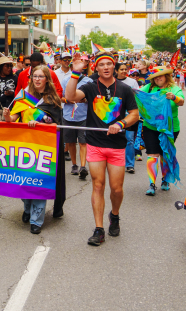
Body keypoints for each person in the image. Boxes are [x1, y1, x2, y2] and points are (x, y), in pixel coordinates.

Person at [65, 51, 140, 246]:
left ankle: (114, 215)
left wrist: (121, 124)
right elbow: (70, 96)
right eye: (102, 65)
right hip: (95, 143)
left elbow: (134, 114)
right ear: (96, 68)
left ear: (114, 67)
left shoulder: (124, 89)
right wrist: (75, 73)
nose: (106, 67)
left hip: (117, 146)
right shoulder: (90, 87)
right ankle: (98, 229)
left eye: (109, 64)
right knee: (98, 185)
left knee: (116, 188)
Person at [4, 64, 65, 233]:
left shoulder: (53, 100)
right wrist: (7, 116)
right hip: (24, 146)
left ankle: (36, 220)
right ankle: (27, 208)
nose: (37, 79)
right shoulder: (22, 96)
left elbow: (58, 126)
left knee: (39, 182)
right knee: (23, 181)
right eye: (34, 76)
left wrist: (40, 125)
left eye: (40, 76)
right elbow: (12, 119)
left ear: (47, 79)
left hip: (44, 147)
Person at [138, 66, 184, 195]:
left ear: (166, 77)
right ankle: (151, 184)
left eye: (160, 76)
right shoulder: (149, 88)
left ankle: (165, 180)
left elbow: (181, 102)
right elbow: (138, 95)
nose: (158, 78)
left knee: (164, 154)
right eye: (155, 77)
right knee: (152, 154)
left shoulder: (174, 89)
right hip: (150, 126)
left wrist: (174, 97)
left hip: (170, 128)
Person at [58, 55, 90, 180]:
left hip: (83, 116)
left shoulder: (88, 81)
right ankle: (74, 165)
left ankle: (83, 166)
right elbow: (59, 96)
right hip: (68, 116)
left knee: (83, 142)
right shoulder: (66, 80)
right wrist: (68, 100)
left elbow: (93, 98)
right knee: (70, 142)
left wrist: (85, 99)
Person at [115, 62, 140, 174]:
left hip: (129, 114)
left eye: (126, 69)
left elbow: (138, 95)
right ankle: (115, 162)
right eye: (121, 69)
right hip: (114, 115)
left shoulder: (132, 82)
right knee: (115, 138)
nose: (124, 71)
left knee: (129, 139)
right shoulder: (111, 81)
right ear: (116, 71)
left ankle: (130, 164)